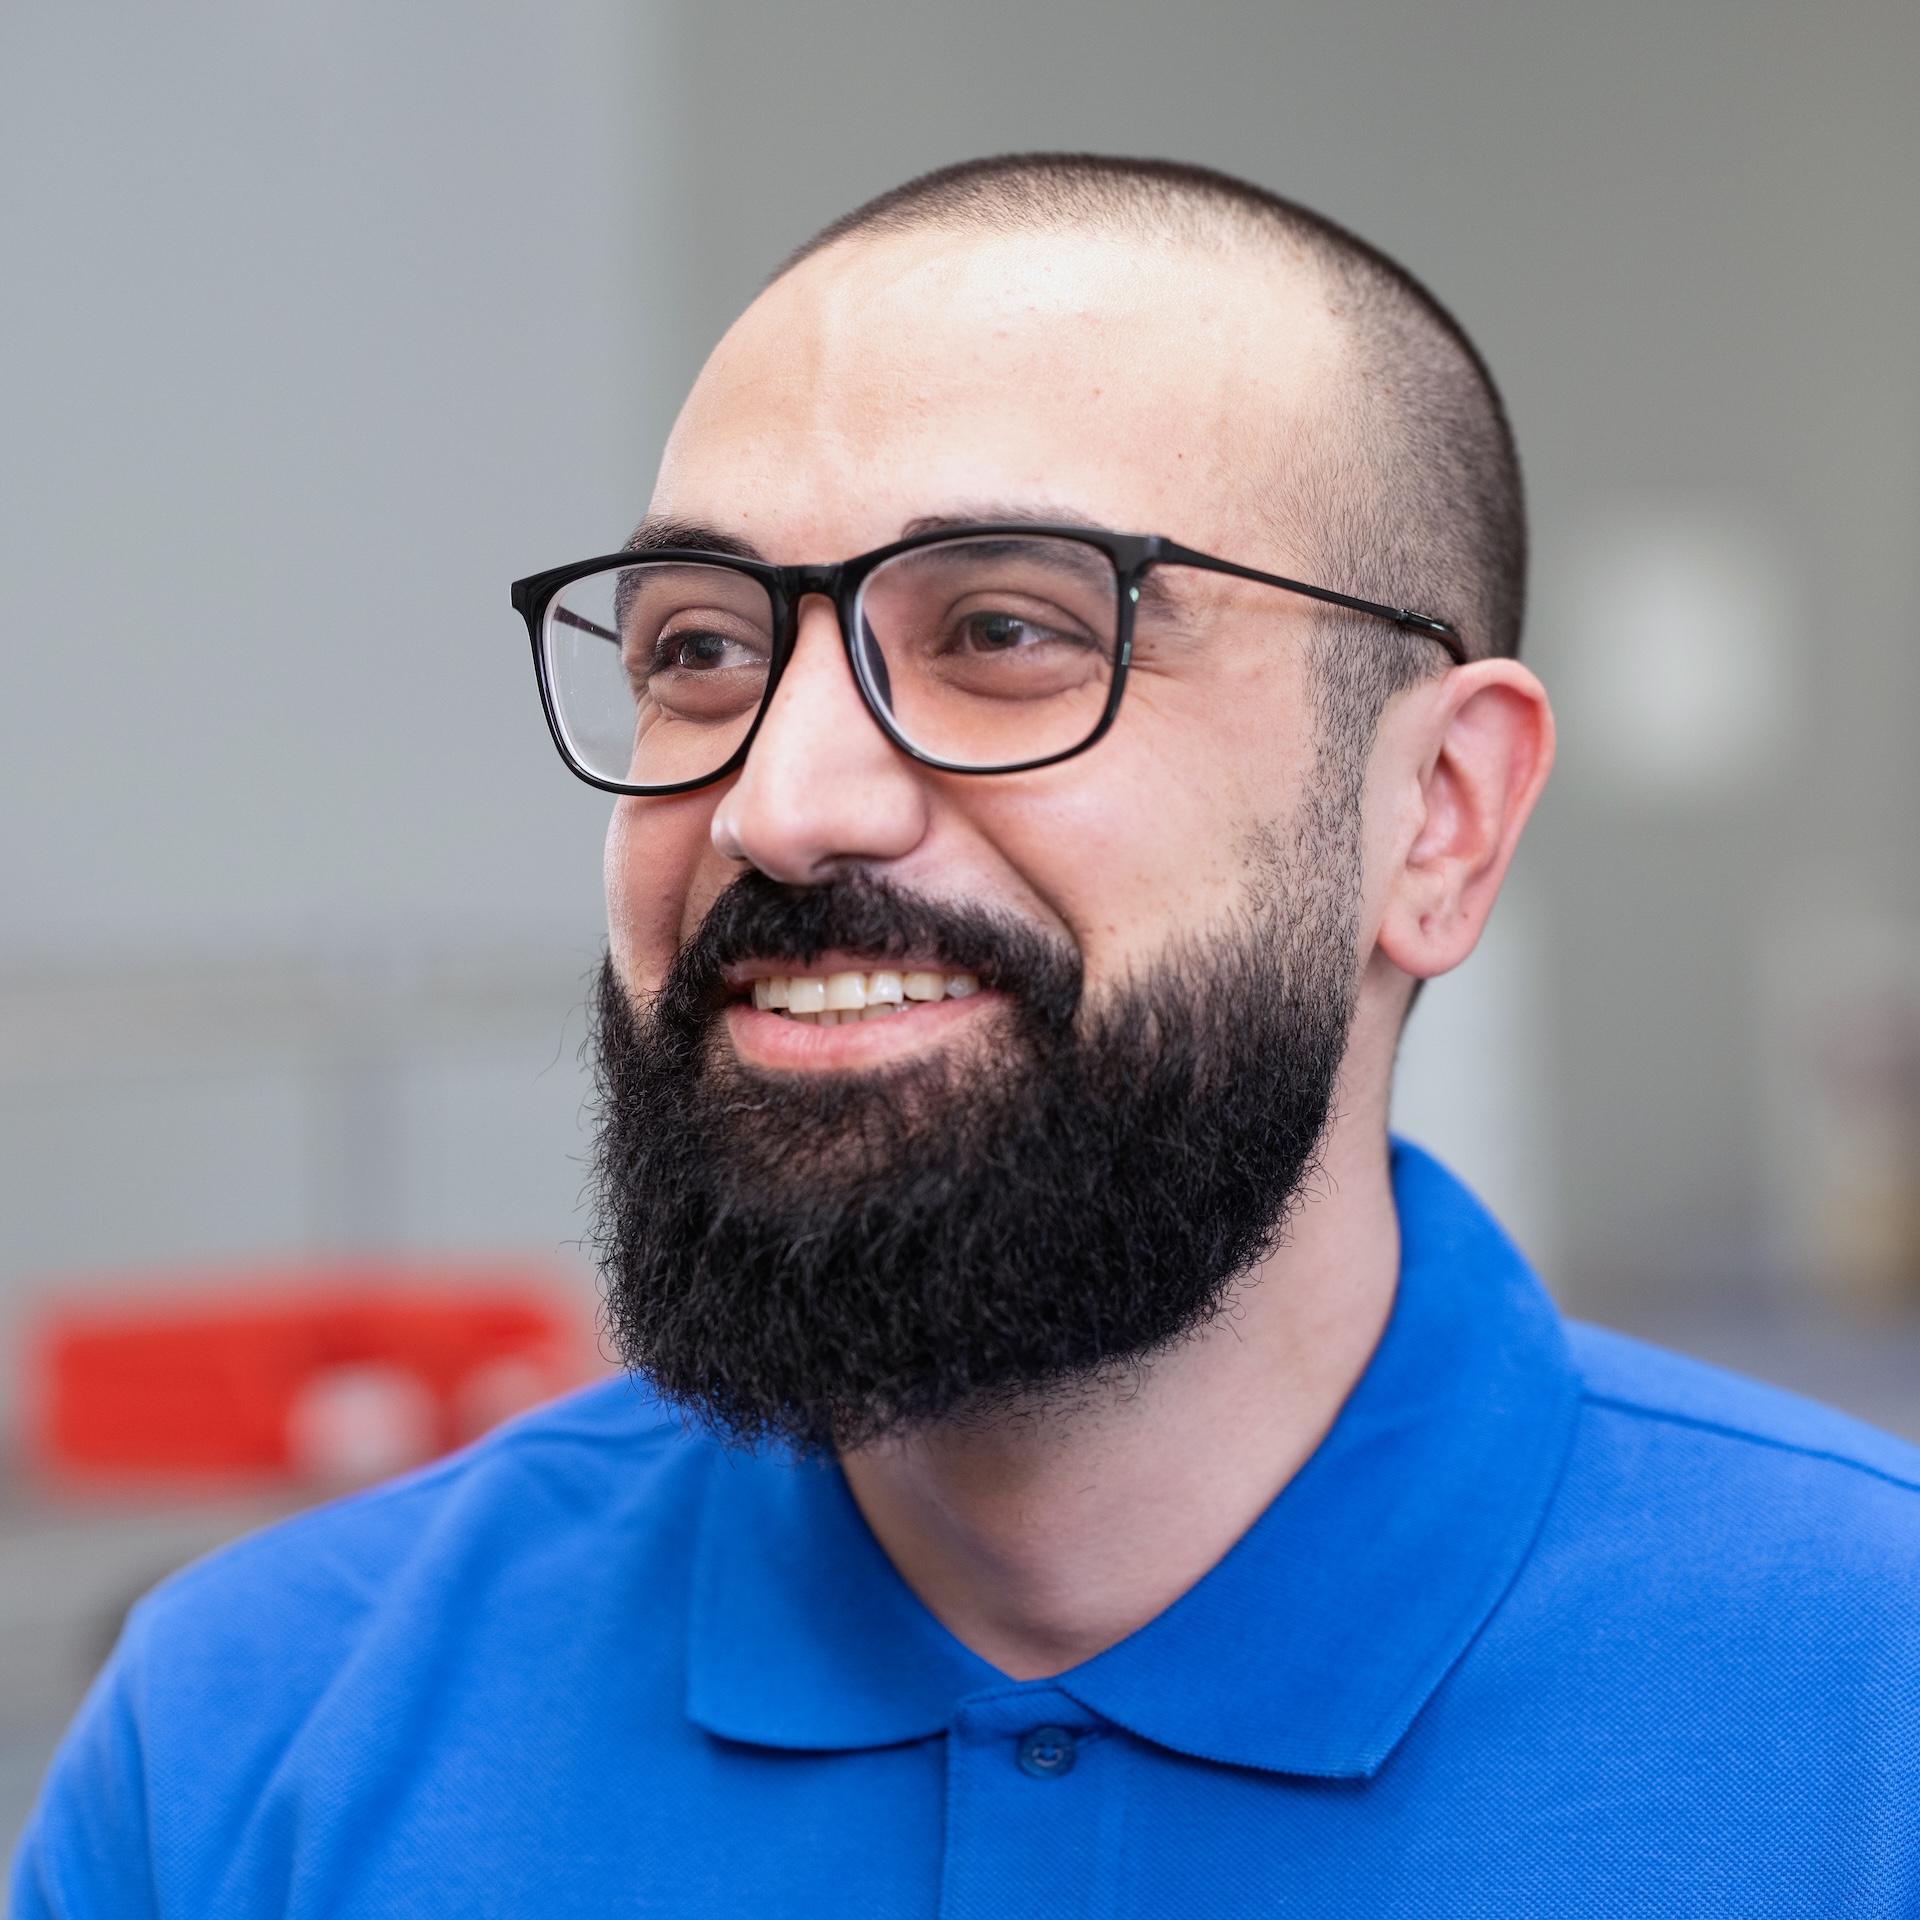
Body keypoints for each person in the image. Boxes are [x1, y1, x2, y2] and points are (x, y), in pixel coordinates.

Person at [15, 153, 1920, 1919]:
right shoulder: (253, 1741)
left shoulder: (1866, 1722)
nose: (784, 802)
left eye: (1008, 630)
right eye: (699, 650)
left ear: (1437, 817)